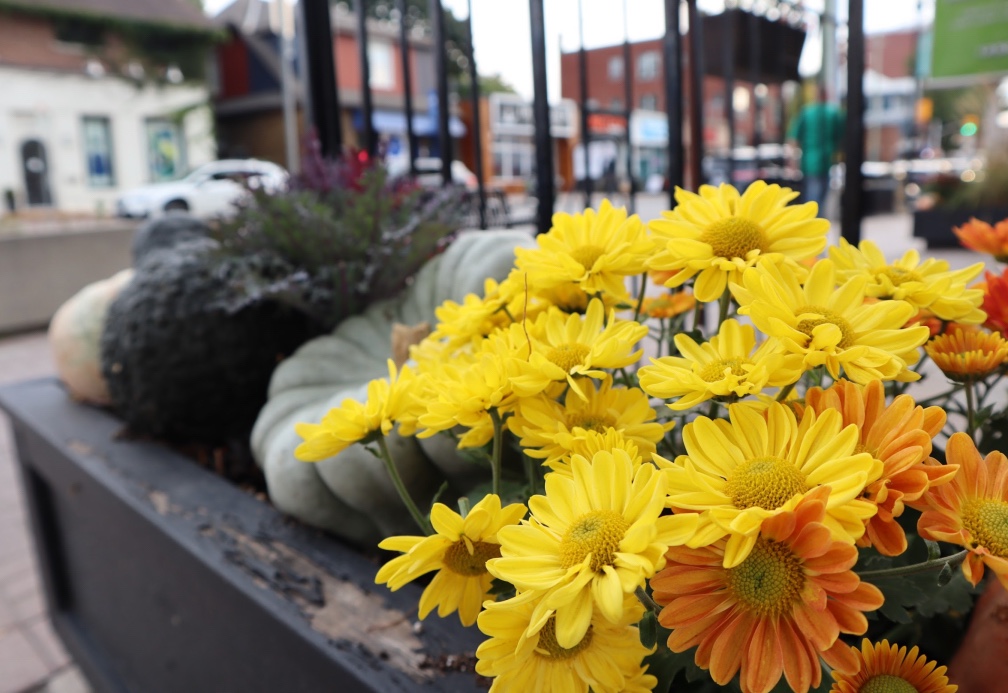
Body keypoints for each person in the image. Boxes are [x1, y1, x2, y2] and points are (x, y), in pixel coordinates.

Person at [786, 84, 844, 216]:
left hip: (809, 162)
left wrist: (793, 161)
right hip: (826, 161)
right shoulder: (833, 113)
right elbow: (841, 138)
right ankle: (817, 228)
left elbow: (793, 139)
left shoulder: (806, 112)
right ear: (826, 95)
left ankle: (812, 227)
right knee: (821, 197)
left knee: (812, 197)